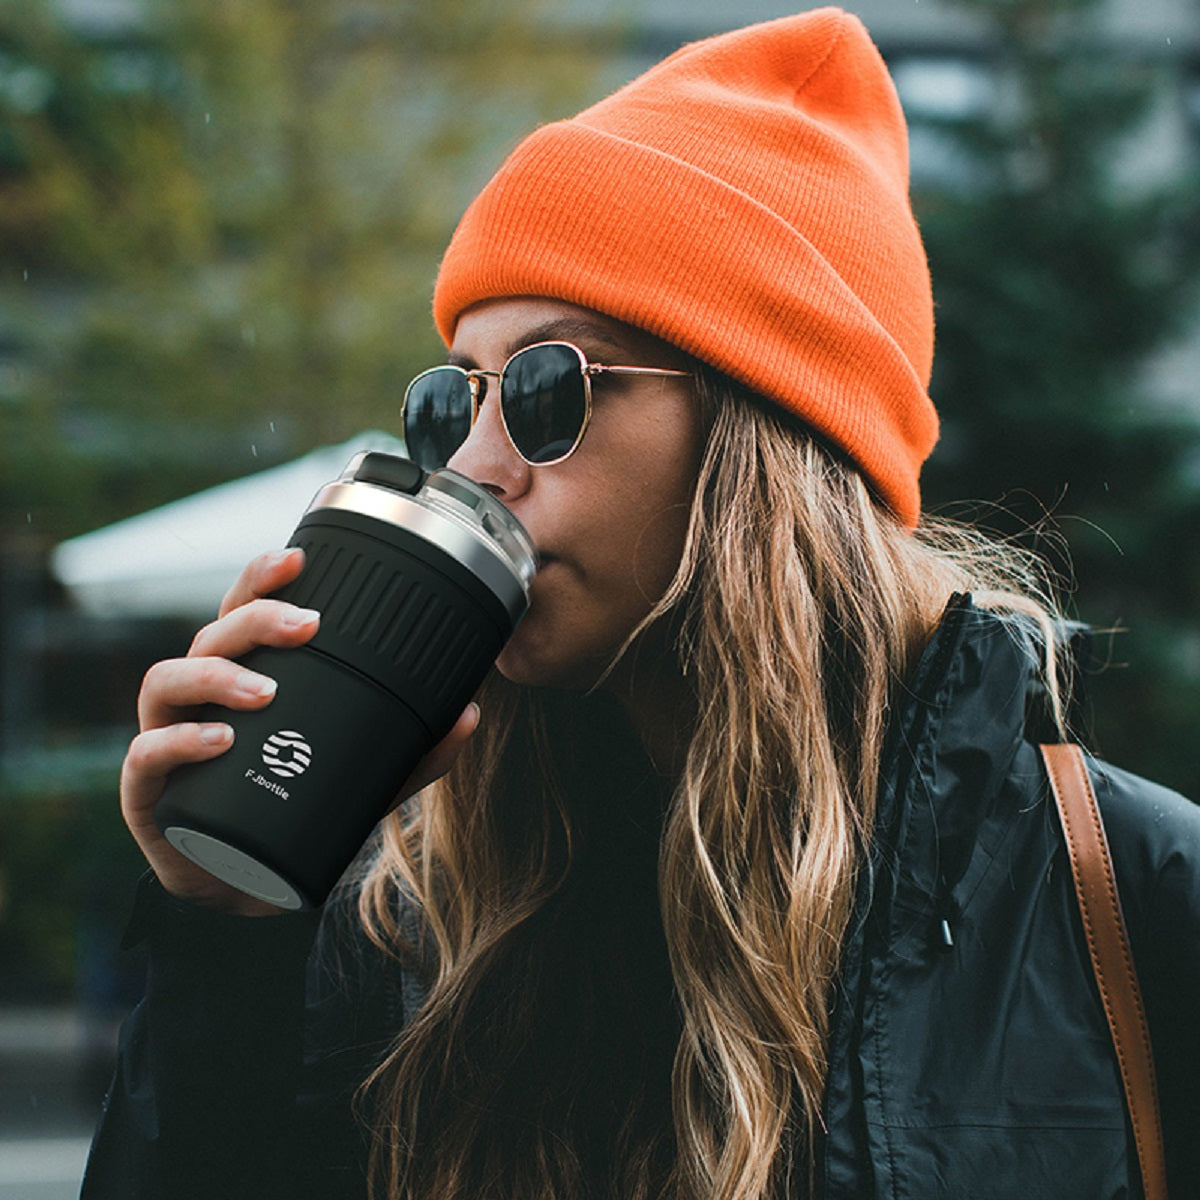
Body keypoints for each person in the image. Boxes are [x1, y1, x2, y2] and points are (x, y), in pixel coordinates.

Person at [82, 8, 1200, 1199]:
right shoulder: (417, 923)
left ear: (764, 442)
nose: (473, 471)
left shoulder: (1127, 899)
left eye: (550, 385)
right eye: (453, 404)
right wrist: (225, 938)